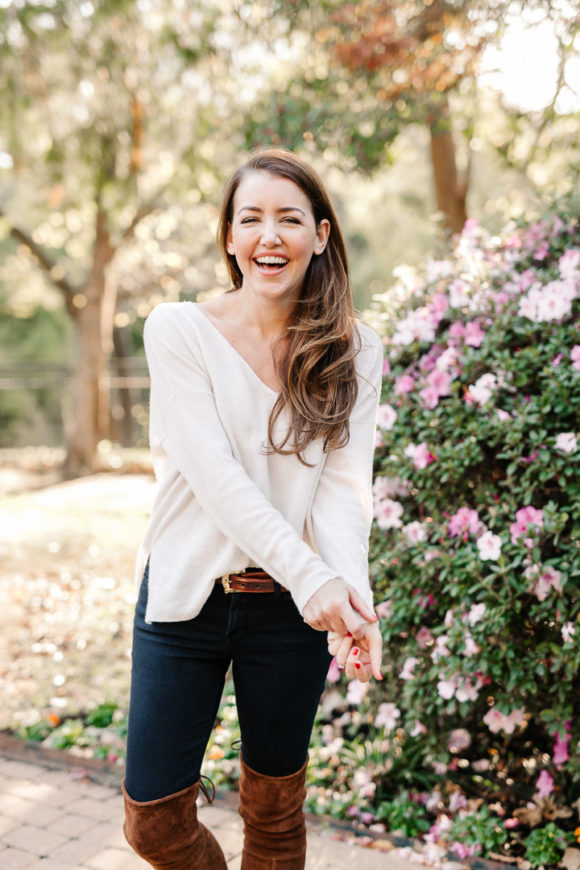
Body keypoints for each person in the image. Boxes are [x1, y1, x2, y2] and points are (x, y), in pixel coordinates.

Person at [122, 147, 384, 870]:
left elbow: (343, 491)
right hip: (185, 597)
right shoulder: (177, 331)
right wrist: (317, 580)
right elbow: (217, 478)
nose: (271, 236)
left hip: (291, 613)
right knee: (152, 821)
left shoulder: (357, 351)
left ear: (321, 235)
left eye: (290, 219)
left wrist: (350, 600)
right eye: (252, 219)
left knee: (274, 817)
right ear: (230, 239)